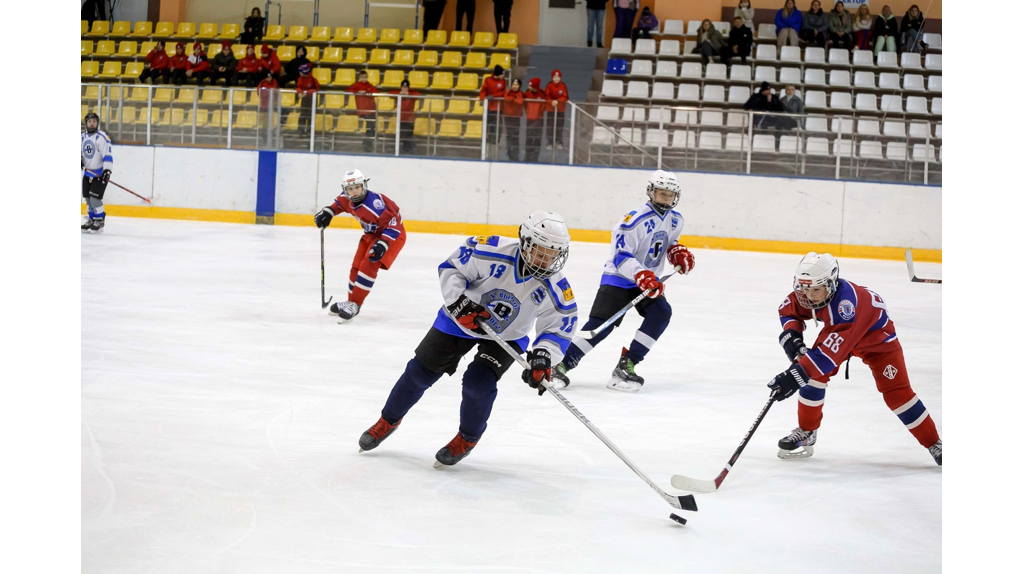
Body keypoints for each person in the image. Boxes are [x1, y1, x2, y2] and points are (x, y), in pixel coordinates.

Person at [357, 210, 576, 467]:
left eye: (553, 255)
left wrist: (543, 357)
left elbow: (559, 327)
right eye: (541, 252)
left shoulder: (557, 286)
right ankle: (388, 420)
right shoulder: (489, 250)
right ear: (524, 242)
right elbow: (451, 269)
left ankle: (467, 438)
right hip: (460, 319)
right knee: (419, 372)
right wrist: (458, 302)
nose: (546, 260)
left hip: (507, 335)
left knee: (478, 383)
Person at [768, 252, 942, 466]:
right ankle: (807, 431)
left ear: (831, 284)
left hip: (877, 343)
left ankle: (935, 443)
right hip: (843, 334)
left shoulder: (846, 307)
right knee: (811, 374)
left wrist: (794, 376)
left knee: (898, 395)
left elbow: (826, 358)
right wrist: (791, 336)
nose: (810, 296)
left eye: (815, 290)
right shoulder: (816, 289)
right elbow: (789, 309)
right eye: (805, 289)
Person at [550, 171, 694, 393]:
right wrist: (641, 275)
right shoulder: (634, 220)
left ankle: (627, 365)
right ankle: (561, 364)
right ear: (651, 192)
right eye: (662, 194)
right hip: (619, 278)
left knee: (661, 313)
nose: (666, 199)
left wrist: (676, 252)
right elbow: (620, 255)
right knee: (600, 326)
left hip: (648, 281)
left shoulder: (677, 219)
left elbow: (669, 242)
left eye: (670, 195)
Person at [314, 169, 408, 321]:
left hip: (391, 236)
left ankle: (356, 304)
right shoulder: (348, 198)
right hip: (371, 235)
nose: (355, 192)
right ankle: (350, 302)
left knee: (369, 264)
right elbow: (339, 204)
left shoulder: (375, 204)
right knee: (356, 266)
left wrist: (383, 243)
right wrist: (329, 212)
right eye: (350, 189)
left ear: (364, 185)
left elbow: (394, 224)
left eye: (357, 187)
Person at [81, 112, 113, 233]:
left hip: (99, 174)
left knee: (95, 198)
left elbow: (107, 154)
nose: (92, 123)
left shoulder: (102, 137)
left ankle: (99, 220)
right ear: (86, 124)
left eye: (94, 121)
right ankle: (91, 218)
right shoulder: (81, 138)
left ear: (97, 123)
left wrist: (107, 170)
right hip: (88, 174)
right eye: (90, 121)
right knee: (88, 198)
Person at [347, 70, 380, 152]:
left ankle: (368, 143)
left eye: (365, 77)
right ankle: (366, 144)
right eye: (362, 77)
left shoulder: (369, 85)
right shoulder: (357, 85)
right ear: (359, 77)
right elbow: (348, 90)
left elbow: (376, 92)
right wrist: (357, 92)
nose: (364, 79)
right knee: (370, 127)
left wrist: (367, 92)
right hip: (364, 111)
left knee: (372, 127)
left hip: (371, 110)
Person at [390, 80, 421, 154]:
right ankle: (404, 150)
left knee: (409, 135)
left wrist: (408, 94)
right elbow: (390, 94)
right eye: (403, 87)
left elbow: (418, 95)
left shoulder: (411, 94)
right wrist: (399, 93)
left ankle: (407, 150)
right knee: (402, 136)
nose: (404, 89)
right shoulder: (398, 93)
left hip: (409, 119)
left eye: (406, 87)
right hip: (401, 119)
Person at [479, 65, 507, 146]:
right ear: (498, 74)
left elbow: (503, 92)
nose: (503, 76)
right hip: (489, 107)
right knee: (488, 123)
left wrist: (493, 96)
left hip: (498, 107)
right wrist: (482, 99)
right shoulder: (487, 80)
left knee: (497, 124)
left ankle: (496, 140)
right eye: (502, 74)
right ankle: (487, 138)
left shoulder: (503, 82)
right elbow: (483, 90)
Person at [523, 78, 547, 162]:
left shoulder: (542, 93)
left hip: (539, 120)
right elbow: (525, 104)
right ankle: (527, 157)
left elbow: (544, 105)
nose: (529, 87)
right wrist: (529, 112)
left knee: (537, 139)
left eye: (531, 86)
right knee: (528, 139)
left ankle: (534, 158)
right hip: (530, 119)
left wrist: (538, 113)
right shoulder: (527, 93)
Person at [544, 69, 569, 150]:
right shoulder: (549, 85)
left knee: (559, 126)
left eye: (558, 77)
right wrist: (552, 101)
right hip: (551, 109)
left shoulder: (563, 86)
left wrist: (558, 101)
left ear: (560, 78)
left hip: (560, 109)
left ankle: (559, 141)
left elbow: (565, 97)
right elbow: (546, 96)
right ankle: (550, 141)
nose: (556, 79)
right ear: (552, 78)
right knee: (550, 126)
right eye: (554, 77)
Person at [295, 63, 319, 136]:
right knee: (303, 114)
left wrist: (308, 93)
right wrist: (299, 92)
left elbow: (316, 89)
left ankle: (309, 130)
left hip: (312, 98)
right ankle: (300, 130)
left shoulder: (313, 79)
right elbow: (298, 87)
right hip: (304, 99)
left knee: (310, 115)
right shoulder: (300, 79)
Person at [503, 78, 524, 161]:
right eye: (513, 84)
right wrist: (514, 98)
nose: (515, 86)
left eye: (516, 85)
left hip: (516, 117)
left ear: (519, 86)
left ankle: (515, 153)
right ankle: (509, 152)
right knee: (509, 135)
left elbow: (520, 102)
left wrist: (513, 99)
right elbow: (506, 98)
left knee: (515, 136)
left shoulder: (520, 93)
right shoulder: (509, 92)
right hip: (508, 116)